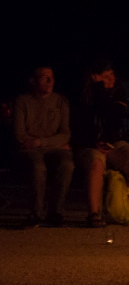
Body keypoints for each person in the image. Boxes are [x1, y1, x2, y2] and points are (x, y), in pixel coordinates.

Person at [72, 60, 129, 228]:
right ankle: (94, 213)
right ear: (94, 78)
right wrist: (94, 142)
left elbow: (113, 119)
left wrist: (107, 141)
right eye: (105, 76)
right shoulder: (82, 98)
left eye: (112, 74)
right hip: (87, 144)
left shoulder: (118, 96)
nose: (111, 79)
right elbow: (79, 127)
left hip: (112, 141)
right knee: (97, 162)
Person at [13, 66, 74, 227]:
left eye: (52, 77)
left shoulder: (61, 101)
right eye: (44, 77)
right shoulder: (23, 101)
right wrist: (53, 142)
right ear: (33, 80)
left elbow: (65, 133)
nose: (49, 81)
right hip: (32, 149)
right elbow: (20, 134)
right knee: (38, 166)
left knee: (67, 164)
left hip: (50, 147)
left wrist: (41, 142)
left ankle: (56, 212)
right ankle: (36, 213)